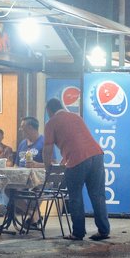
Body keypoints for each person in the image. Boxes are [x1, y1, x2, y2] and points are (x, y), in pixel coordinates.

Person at [43, 97, 111, 242]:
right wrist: (65, 158)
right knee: (98, 195)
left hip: (78, 160)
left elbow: (47, 148)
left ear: (49, 110)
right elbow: (77, 140)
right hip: (96, 155)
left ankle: (78, 232)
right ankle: (104, 230)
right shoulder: (76, 117)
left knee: (75, 197)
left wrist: (47, 167)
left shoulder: (51, 123)